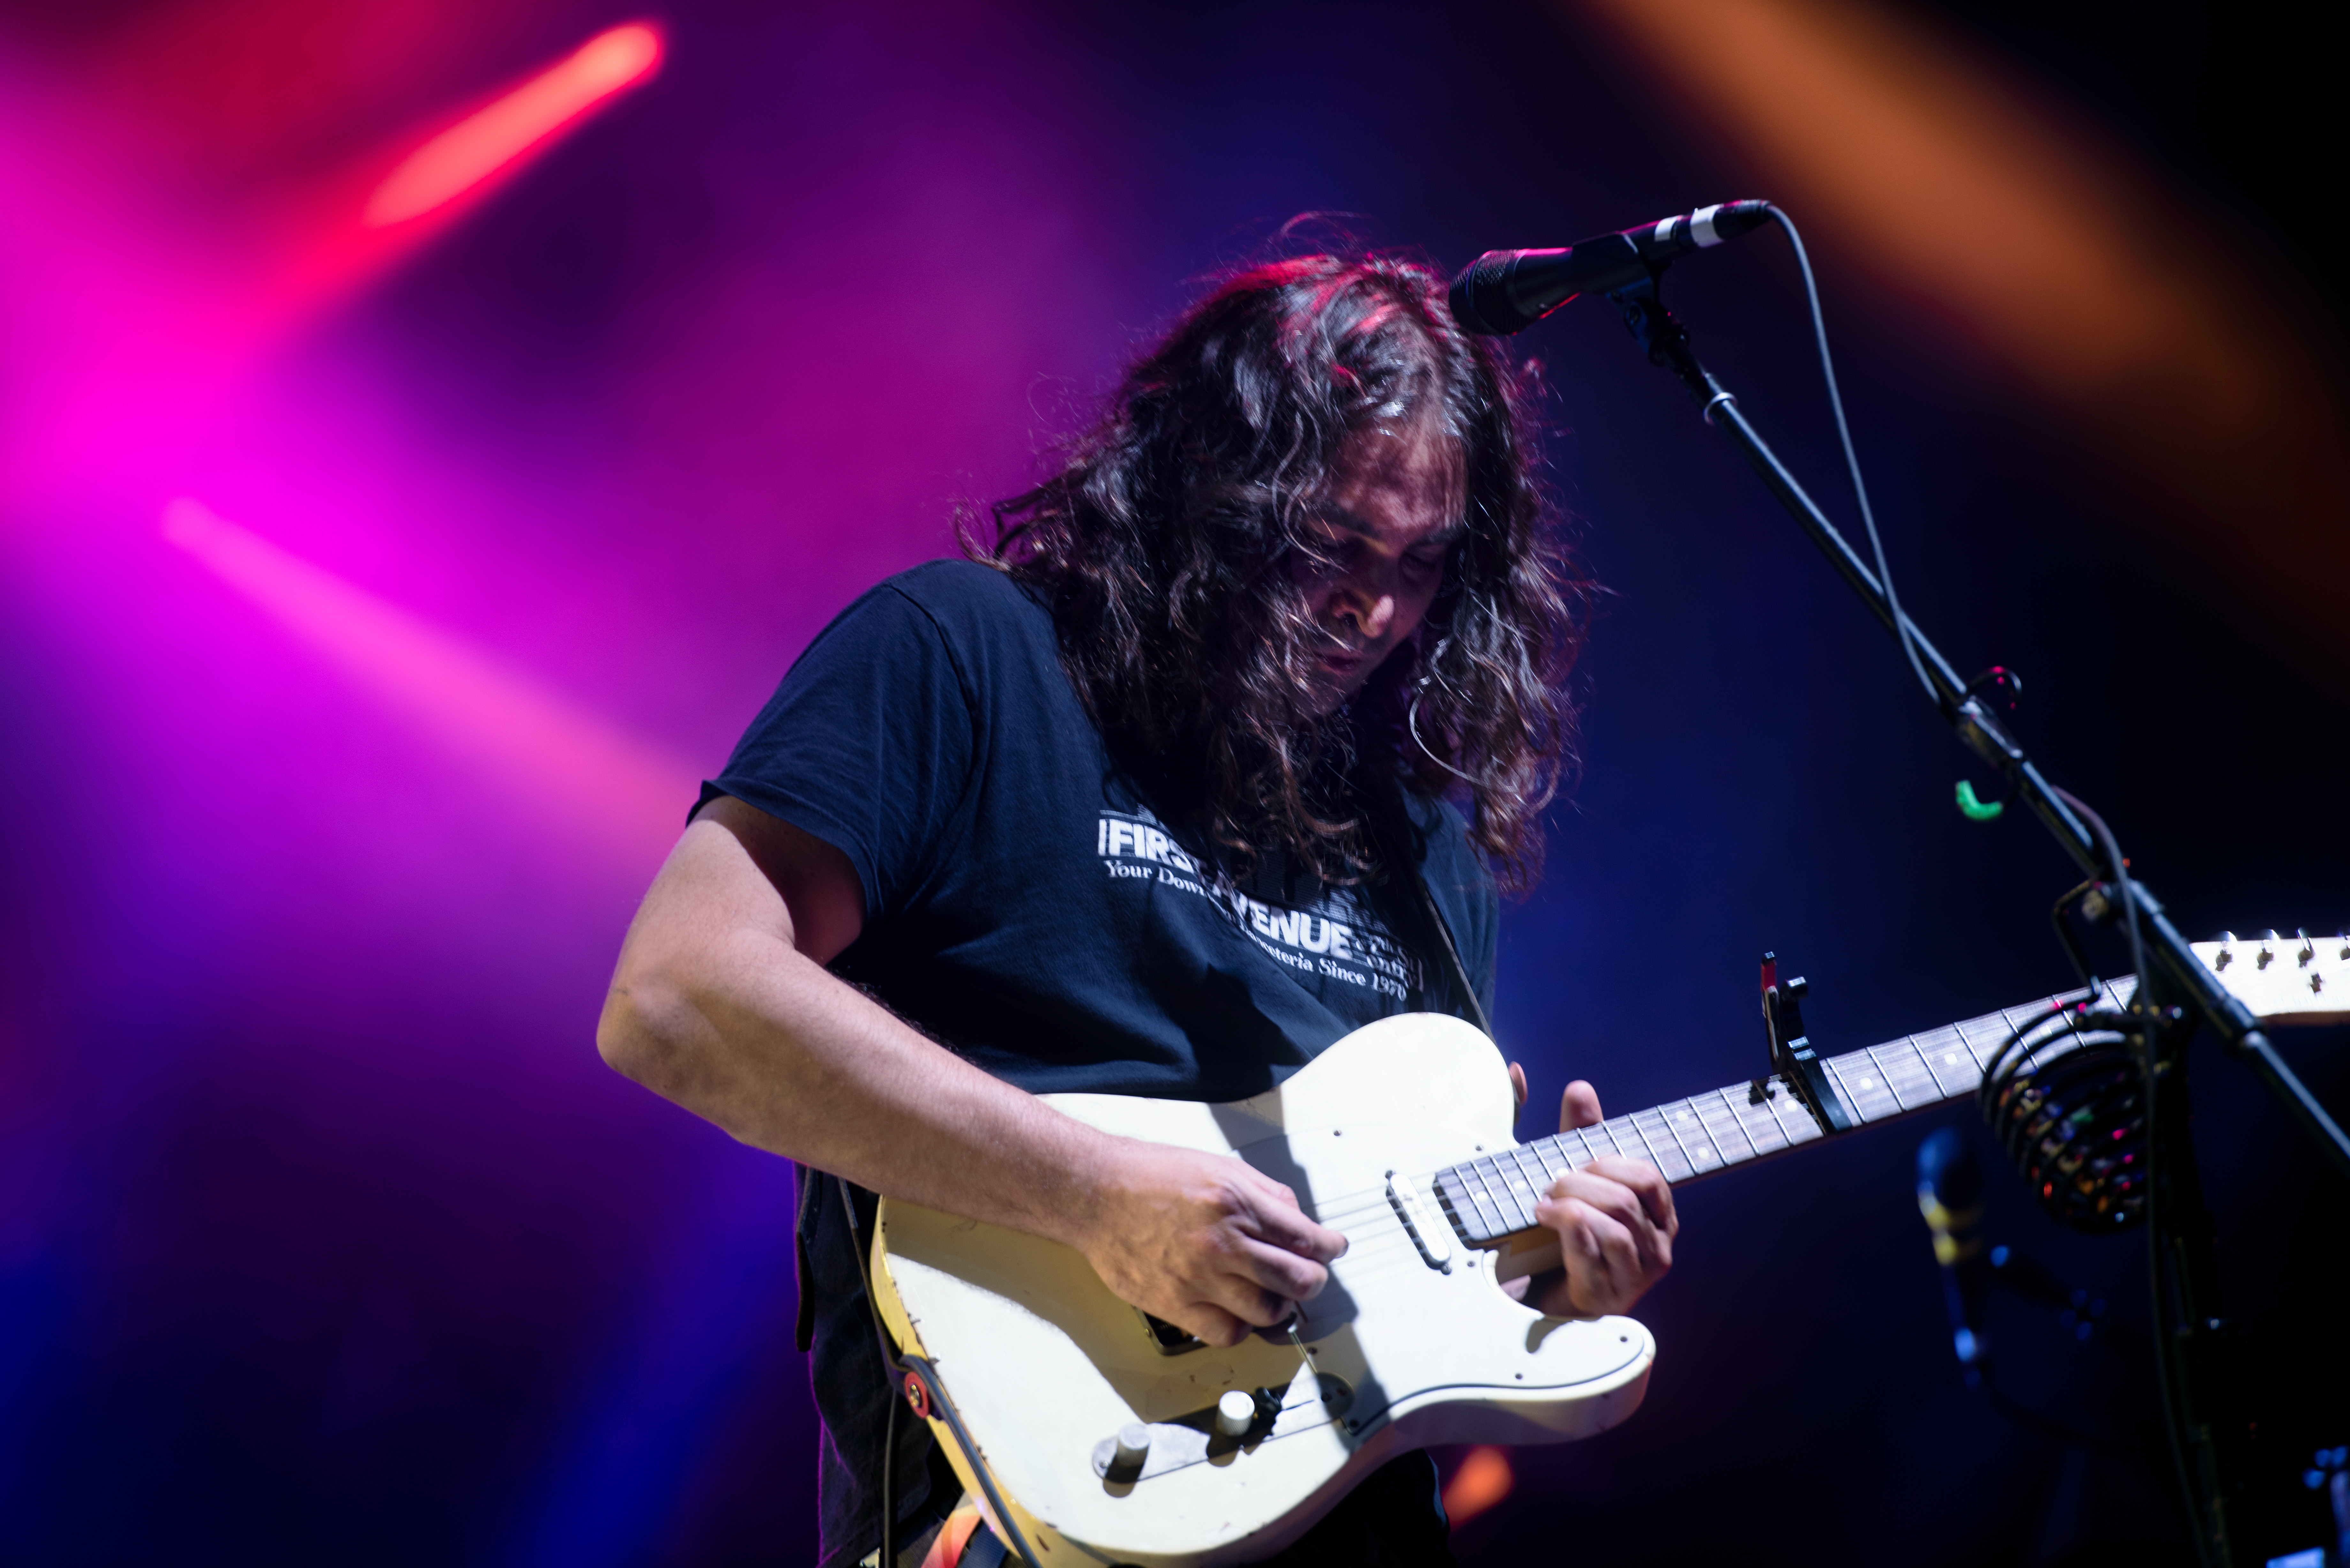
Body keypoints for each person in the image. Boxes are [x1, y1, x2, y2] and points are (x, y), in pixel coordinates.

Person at [596, 250, 1679, 1567]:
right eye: (1330, 541)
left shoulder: (1426, 865)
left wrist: (1546, 1280)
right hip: (1009, 1522)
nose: (1374, 607)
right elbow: (676, 995)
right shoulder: (969, 655)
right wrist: (1095, 1193)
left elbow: (1388, 1286)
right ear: (1207, 491)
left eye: (1420, 564)